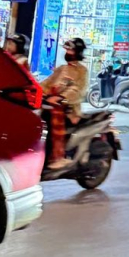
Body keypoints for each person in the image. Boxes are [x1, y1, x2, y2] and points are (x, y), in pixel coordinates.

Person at [40, 38, 89, 170]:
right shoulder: (61, 69)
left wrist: (61, 97)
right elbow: (47, 83)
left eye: (70, 50)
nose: (67, 52)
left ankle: (58, 156)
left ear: (78, 52)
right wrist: (37, 90)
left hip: (69, 109)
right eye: (67, 50)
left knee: (53, 121)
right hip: (50, 104)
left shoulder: (82, 71)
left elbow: (77, 90)